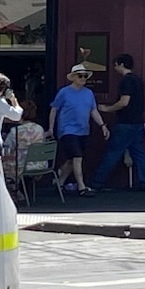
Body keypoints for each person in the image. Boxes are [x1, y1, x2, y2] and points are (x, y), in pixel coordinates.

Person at [90, 53, 145, 192]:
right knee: (139, 153)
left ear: (121, 64)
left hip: (125, 122)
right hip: (137, 122)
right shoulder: (138, 81)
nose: (114, 67)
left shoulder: (126, 81)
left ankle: (97, 181)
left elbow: (124, 102)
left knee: (113, 153)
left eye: (116, 64)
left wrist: (108, 108)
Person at [47, 64, 107, 195]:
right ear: (73, 77)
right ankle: (82, 187)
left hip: (84, 130)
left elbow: (93, 110)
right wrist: (51, 128)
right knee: (77, 156)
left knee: (71, 160)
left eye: (85, 76)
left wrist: (102, 125)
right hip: (67, 130)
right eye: (80, 75)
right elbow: (54, 109)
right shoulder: (64, 92)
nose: (83, 78)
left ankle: (59, 182)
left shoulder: (89, 93)